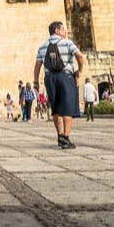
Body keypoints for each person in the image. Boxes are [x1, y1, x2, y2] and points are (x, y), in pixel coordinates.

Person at [34, 20, 87, 149]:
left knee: (56, 108)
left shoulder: (42, 46)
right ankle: (66, 138)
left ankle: (60, 136)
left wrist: (36, 81)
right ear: (57, 31)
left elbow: (37, 65)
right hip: (65, 77)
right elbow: (80, 56)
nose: (65, 32)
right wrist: (79, 71)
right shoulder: (67, 43)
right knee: (68, 107)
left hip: (50, 78)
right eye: (63, 29)